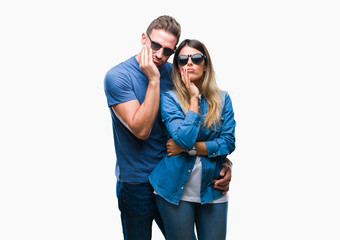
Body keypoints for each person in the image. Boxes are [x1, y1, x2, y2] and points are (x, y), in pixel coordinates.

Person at [104, 15, 232, 240]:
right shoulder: (118, 77)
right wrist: (153, 80)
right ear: (144, 38)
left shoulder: (177, 72)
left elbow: (205, 124)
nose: (160, 55)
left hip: (175, 176)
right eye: (155, 46)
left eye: (168, 51)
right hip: (137, 182)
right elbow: (141, 130)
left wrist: (223, 162)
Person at [149, 39, 236, 240]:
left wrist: (190, 149)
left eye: (196, 58)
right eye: (182, 59)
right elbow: (183, 138)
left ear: (205, 65)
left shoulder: (223, 100)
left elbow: (228, 142)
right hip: (172, 190)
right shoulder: (169, 99)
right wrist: (194, 98)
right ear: (178, 67)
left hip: (212, 189)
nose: (189, 63)